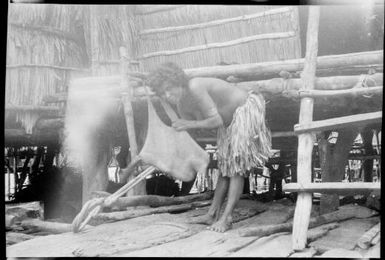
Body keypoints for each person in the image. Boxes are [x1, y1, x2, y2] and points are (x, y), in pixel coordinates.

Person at [147, 62, 272, 232]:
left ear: (178, 81)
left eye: (169, 88)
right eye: (163, 93)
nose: (168, 94)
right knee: (224, 167)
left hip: (244, 110)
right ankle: (212, 213)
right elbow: (193, 133)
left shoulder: (195, 86)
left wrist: (188, 124)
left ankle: (226, 218)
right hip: (228, 124)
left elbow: (215, 121)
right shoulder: (182, 105)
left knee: (236, 168)